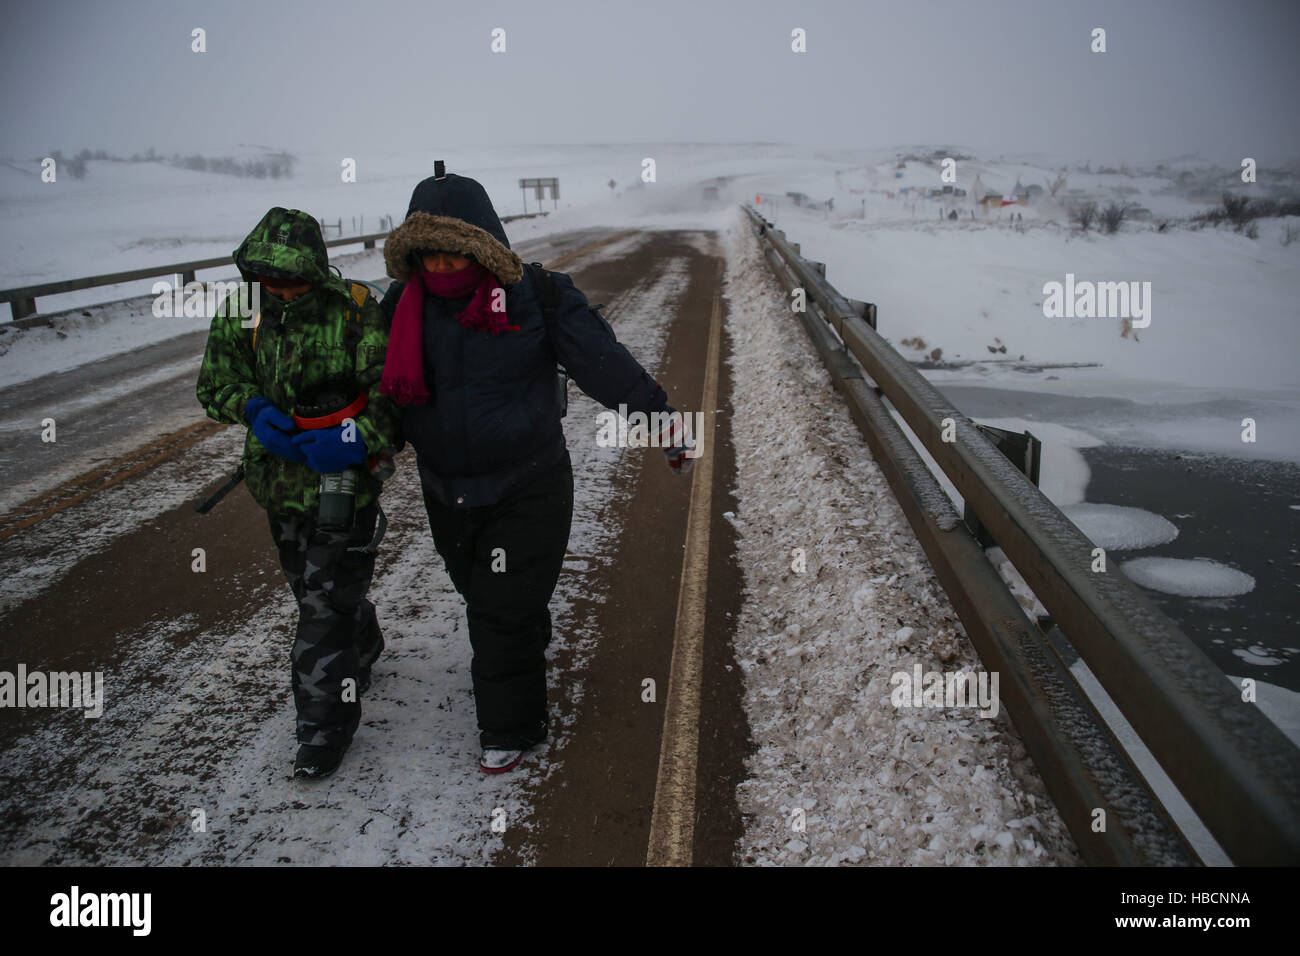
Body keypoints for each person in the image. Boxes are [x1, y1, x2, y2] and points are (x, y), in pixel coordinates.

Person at [379, 165, 694, 773]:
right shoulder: (400, 306)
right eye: (429, 258)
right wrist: (370, 446)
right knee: (486, 597)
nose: (441, 270)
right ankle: (520, 641)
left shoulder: (537, 297)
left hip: (529, 483)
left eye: (454, 256)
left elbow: (604, 365)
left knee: (499, 612)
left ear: (484, 246)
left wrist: (663, 421)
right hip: (446, 490)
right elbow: (383, 388)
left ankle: (510, 729)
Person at [196, 207, 401, 779]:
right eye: (268, 277)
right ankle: (362, 642)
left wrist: (357, 437)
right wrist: (253, 409)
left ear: (315, 268)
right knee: (314, 594)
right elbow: (215, 382)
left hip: (346, 487)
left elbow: (396, 395)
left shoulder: (357, 309)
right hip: (278, 486)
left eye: (291, 276)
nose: (280, 287)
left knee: (320, 612)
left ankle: (322, 733)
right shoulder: (243, 311)